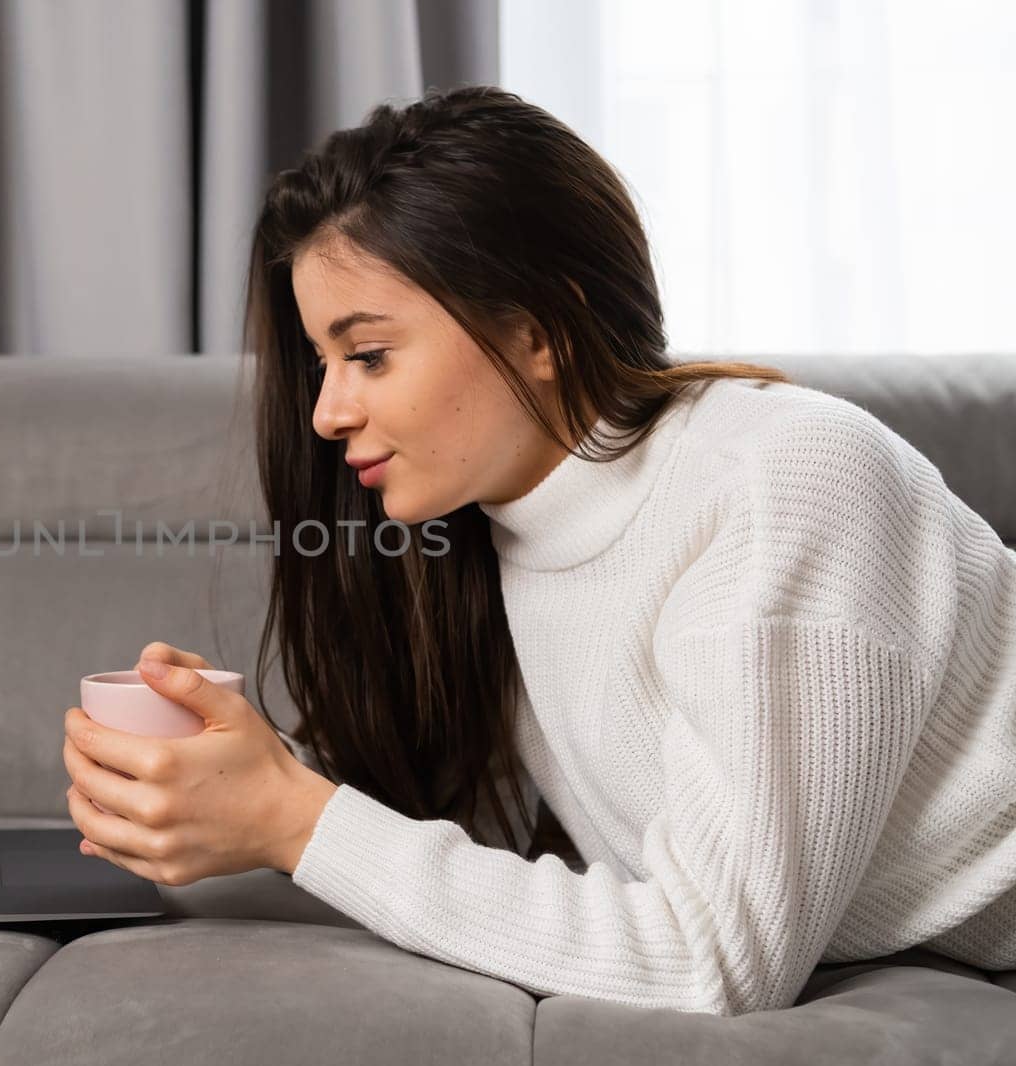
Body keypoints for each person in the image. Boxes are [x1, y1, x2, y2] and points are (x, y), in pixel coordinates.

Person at [61, 84, 1016, 1017]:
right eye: (321, 362)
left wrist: (292, 818)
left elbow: (713, 962)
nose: (326, 412)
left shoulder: (781, 482)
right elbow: (484, 873)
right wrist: (226, 798)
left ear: (535, 332)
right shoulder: (486, 532)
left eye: (371, 355)